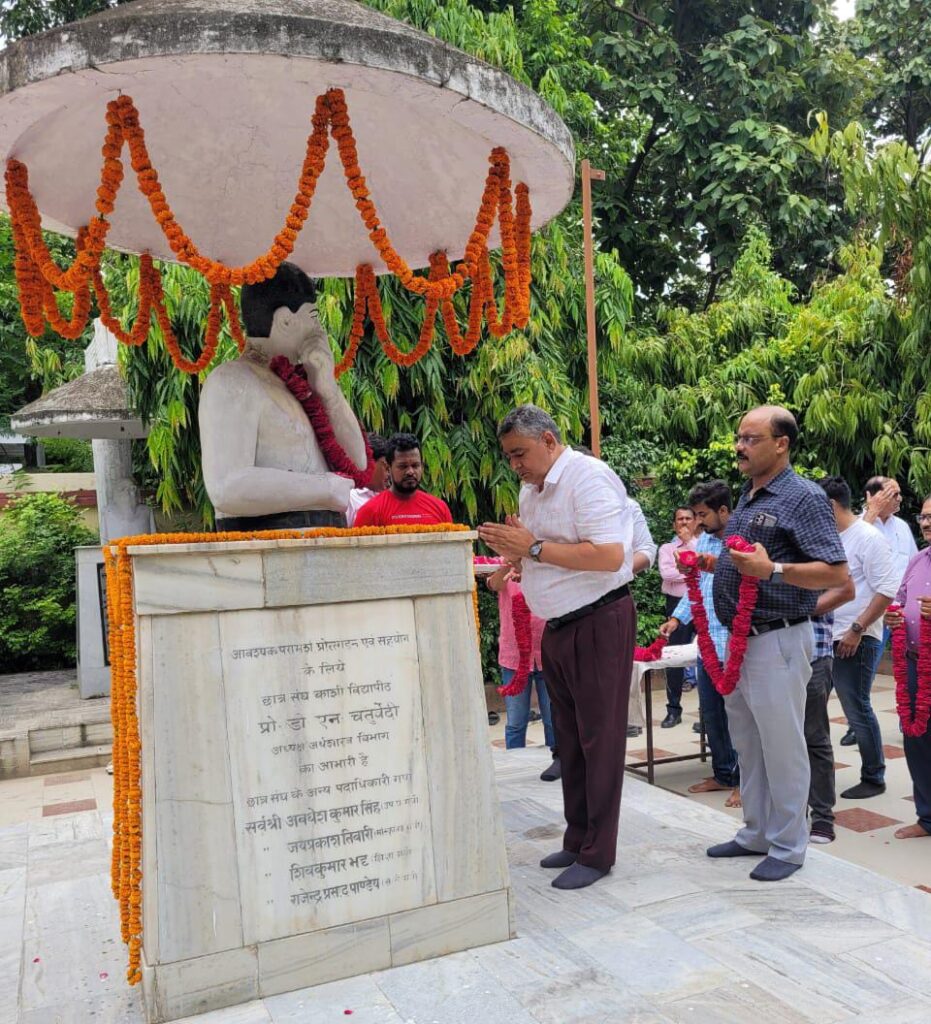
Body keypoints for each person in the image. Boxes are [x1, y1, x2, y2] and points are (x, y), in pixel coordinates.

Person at [478, 405, 635, 890]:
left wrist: (534, 550)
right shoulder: (531, 491)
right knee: (568, 740)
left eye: (520, 453)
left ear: (548, 440)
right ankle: (576, 837)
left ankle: (597, 853)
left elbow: (609, 556)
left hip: (600, 619)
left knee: (599, 740)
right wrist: (519, 555)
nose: (515, 466)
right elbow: (539, 553)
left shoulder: (588, 478)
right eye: (508, 457)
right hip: (559, 626)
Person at [705, 406, 847, 882]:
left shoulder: (803, 497)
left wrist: (774, 571)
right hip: (742, 639)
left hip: (779, 637)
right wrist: (717, 568)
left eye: (751, 438)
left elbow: (835, 572)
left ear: (781, 443)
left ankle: (788, 845)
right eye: (738, 437)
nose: (740, 446)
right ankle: (756, 833)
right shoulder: (748, 495)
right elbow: (747, 560)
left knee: (783, 744)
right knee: (748, 741)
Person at [200, 262, 366, 529]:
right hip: (270, 543)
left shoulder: (299, 383)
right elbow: (225, 486)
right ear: (285, 320)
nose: (319, 330)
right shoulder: (232, 380)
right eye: (313, 317)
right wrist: (322, 487)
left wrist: (328, 391)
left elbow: (358, 463)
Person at [817, 476, 900, 799]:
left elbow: (886, 590)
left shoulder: (868, 538)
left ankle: (874, 775)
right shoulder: (831, 538)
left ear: (831, 506)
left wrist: (857, 630)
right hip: (828, 636)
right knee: (814, 707)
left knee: (856, 707)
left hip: (857, 638)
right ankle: (818, 773)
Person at [660, 480, 740, 806]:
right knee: (711, 713)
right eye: (693, 514)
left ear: (723, 511)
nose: (696, 522)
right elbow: (698, 588)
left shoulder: (740, 541)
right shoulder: (704, 540)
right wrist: (677, 619)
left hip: (736, 645)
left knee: (741, 718)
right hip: (707, 644)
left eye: (702, 514)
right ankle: (724, 774)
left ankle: (748, 782)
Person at [837, 475, 919, 746]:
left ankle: (908, 716)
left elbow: (912, 566)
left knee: (906, 667)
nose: (899, 500)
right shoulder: (854, 525)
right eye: (892, 494)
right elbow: (844, 564)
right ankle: (855, 725)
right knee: (862, 675)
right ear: (872, 496)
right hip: (866, 613)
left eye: (899, 495)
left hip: (897, 611)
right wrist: (870, 514)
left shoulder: (903, 528)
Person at [884, 493, 931, 841]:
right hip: (915, 664)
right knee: (917, 741)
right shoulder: (917, 560)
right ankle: (927, 817)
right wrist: (893, 615)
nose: (927, 523)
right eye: (924, 518)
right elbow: (899, 599)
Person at [486, 563, 560, 781]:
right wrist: (509, 562)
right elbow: (494, 584)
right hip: (514, 658)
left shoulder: (546, 563)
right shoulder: (506, 566)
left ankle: (556, 764)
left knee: (553, 720)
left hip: (548, 655)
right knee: (516, 721)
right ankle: (513, 769)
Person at [353, 433, 452, 527]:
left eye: (415, 465)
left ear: (422, 466)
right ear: (388, 468)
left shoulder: (440, 508)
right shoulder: (370, 511)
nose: (410, 471)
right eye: (403, 466)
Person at [657, 507, 698, 728]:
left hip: (701, 603)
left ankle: (706, 711)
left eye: (688, 519)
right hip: (676, 606)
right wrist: (692, 570)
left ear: (696, 522)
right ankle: (673, 709)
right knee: (674, 658)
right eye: (679, 519)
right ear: (674, 524)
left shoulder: (702, 545)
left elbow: (704, 569)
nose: (683, 523)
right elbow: (667, 574)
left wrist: (690, 545)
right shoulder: (667, 548)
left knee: (709, 655)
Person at [346, 433, 390, 525]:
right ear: (369, 463)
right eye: (385, 466)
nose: (389, 473)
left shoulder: (391, 497)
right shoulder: (350, 498)